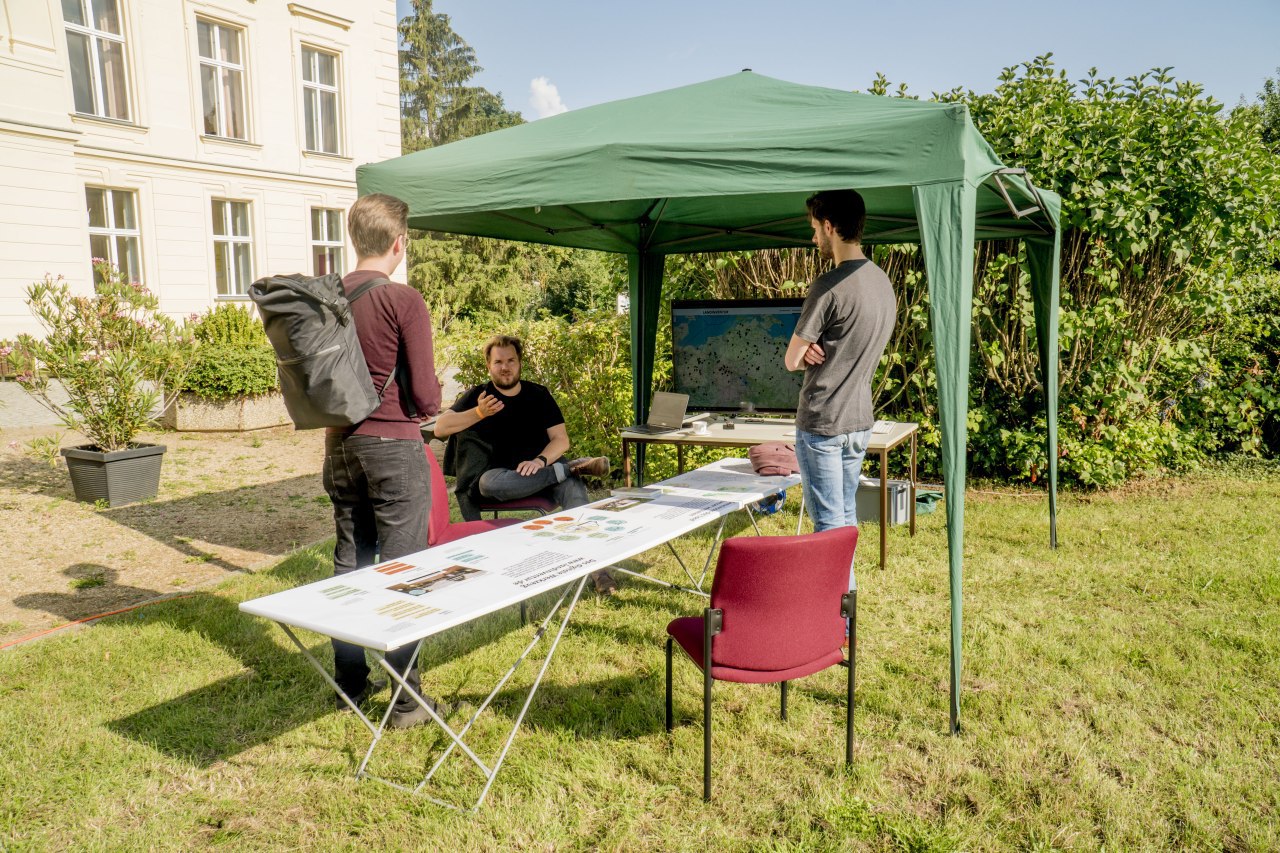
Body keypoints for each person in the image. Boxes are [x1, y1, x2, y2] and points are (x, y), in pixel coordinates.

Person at [323, 192, 443, 729]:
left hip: (339, 446)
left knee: (352, 563)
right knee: (403, 572)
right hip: (394, 447)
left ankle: (348, 683)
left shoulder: (326, 298)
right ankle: (406, 701)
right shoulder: (402, 300)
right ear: (399, 242)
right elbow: (425, 397)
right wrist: (432, 404)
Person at [432, 335, 616, 593]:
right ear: (489, 365)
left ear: (520, 363)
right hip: (503, 481)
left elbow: (560, 440)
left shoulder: (538, 395)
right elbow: (440, 428)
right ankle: (570, 468)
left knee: (574, 490)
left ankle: (600, 573)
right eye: (498, 362)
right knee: (488, 482)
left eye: (511, 361)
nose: (505, 367)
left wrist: (540, 461)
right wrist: (479, 413)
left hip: (543, 472)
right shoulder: (478, 396)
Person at [783, 189, 896, 581]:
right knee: (845, 521)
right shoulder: (882, 284)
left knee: (829, 529)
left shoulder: (829, 285)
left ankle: (836, 626)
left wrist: (807, 348)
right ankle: (848, 612)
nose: (814, 238)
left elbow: (791, 359)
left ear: (830, 227)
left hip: (823, 423)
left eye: (815, 229)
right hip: (859, 422)